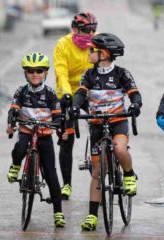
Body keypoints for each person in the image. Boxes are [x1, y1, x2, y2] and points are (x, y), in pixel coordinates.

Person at [72, 33, 142, 231]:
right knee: (97, 172)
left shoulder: (121, 73)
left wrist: (135, 104)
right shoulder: (88, 74)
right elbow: (80, 93)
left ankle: (128, 175)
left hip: (117, 121)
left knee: (120, 149)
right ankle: (92, 216)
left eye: (91, 50)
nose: (88, 52)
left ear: (103, 54)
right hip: (96, 124)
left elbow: (134, 93)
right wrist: (76, 107)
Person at [6, 52, 66, 227]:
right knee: (19, 150)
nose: (35, 74)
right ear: (25, 72)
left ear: (45, 73)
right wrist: (11, 122)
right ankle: (16, 165)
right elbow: (13, 109)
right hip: (26, 130)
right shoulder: (21, 91)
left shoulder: (50, 94)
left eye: (39, 70)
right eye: (30, 70)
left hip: (44, 135)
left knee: (51, 175)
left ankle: (58, 213)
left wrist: (59, 128)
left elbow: (57, 116)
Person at [53, 11, 98, 199]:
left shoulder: (95, 44)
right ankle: (67, 185)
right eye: (86, 30)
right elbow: (61, 72)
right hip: (68, 92)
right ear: (74, 29)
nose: (90, 33)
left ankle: (100, 164)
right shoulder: (63, 44)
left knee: (100, 124)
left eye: (93, 29)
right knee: (66, 138)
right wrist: (66, 95)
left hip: (88, 90)